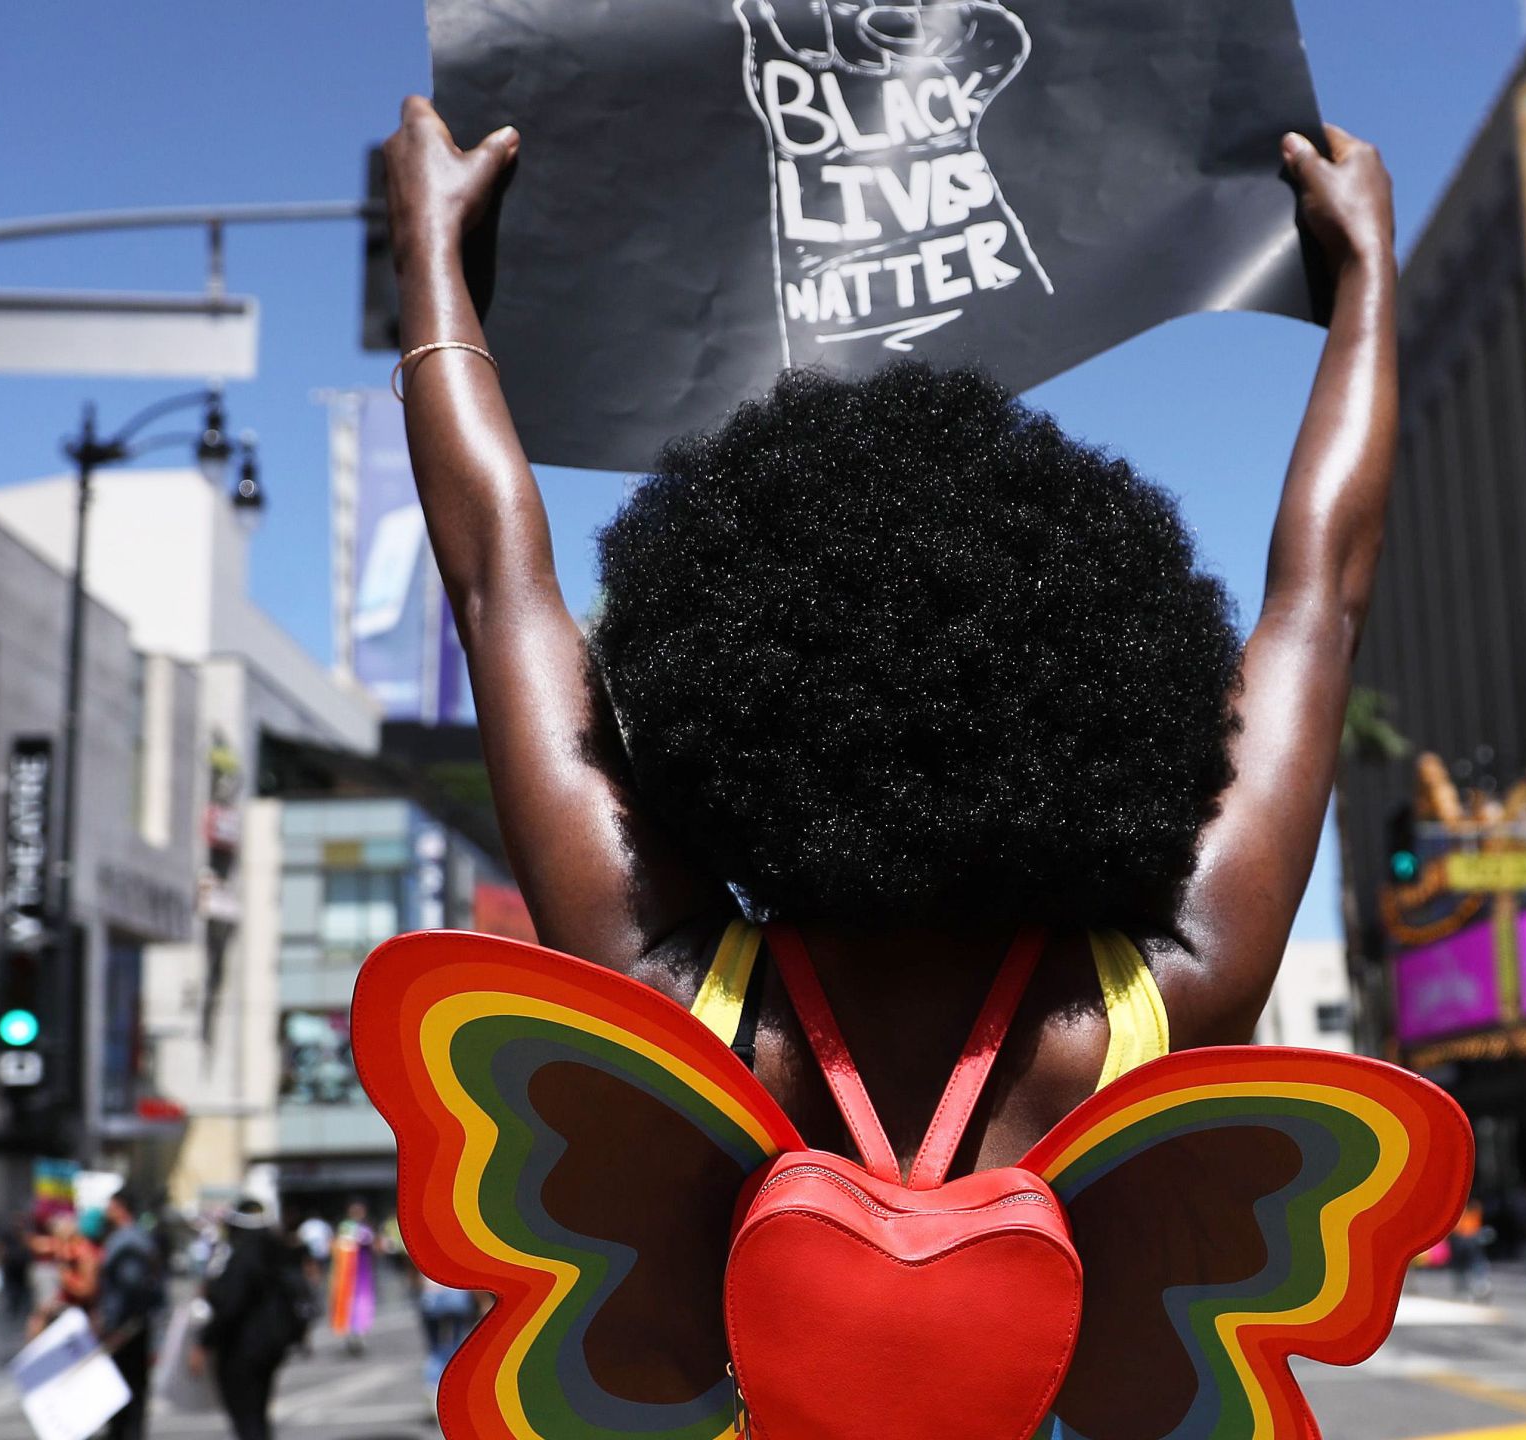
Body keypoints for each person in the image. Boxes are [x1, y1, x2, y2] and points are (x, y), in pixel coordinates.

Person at [376, 67, 1396, 1189]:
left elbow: (494, 582)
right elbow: (1320, 598)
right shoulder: (1168, 992)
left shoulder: (685, 1005)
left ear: (738, 708)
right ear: (1105, 692)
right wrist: (1363, 276)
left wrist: (432, 257)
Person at [197, 1200, 308, 1440]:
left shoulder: (243, 1256)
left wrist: (205, 1341)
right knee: (257, 1414)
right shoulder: (274, 1249)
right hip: (271, 1345)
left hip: (243, 1348)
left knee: (247, 1417)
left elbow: (230, 1305)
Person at [97, 1194, 168, 1440]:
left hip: (126, 1332)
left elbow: (132, 1286)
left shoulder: (126, 1241)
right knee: (133, 1396)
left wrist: (118, 1327)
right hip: (134, 1328)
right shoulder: (139, 1237)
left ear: (120, 1208)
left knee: (125, 1397)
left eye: (110, 1206)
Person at [415, 1272, 477, 1413]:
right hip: (457, 1298)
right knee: (458, 1348)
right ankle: (455, 1392)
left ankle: (432, 1387)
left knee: (434, 1349)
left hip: (430, 1297)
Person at [324, 1202, 378, 1357]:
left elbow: (373, 1247)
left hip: (362, 1276)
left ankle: (359, 1335)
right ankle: (350, 1337)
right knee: (347, 1306)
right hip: (346, 1277)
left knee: (361, 1305)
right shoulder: (345, 1227)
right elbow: (335, 1247)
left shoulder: (367, 1229)